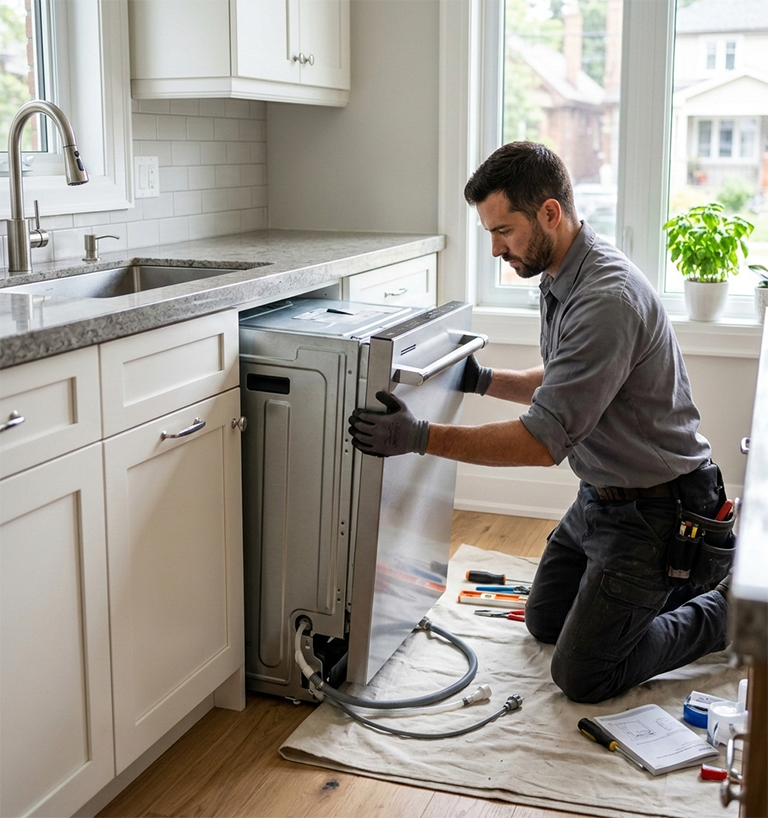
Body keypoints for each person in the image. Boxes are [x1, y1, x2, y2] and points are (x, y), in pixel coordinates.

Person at [348, 141, 734, 704]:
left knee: (583, 674)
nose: (496, 248)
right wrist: (480, 379)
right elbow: (561, 379)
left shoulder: (607, 299)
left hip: (660, 510)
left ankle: (729, 608)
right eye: (489, 233)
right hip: (603, 499)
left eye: (503, 231)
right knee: (545, 621)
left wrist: (420, 438)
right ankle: (665, 587)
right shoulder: (561, 273)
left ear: (550, 213)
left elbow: (540, 441)